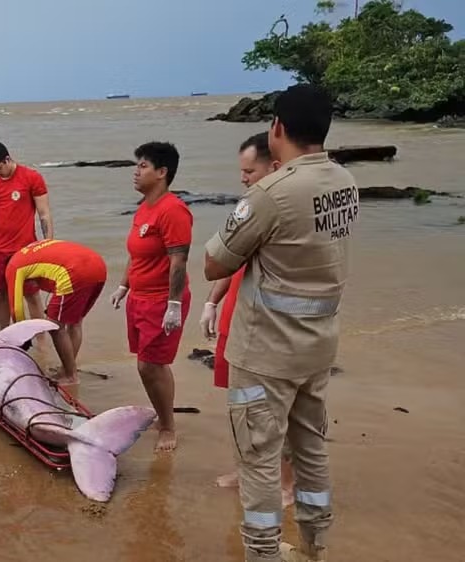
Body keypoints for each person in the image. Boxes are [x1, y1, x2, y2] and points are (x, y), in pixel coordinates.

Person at [203, 84, 358, 562]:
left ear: (277, 129)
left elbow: (214, 262)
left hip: (266, 350)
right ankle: (315, 545)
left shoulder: (271, 192)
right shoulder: (344, 181)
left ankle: (263, 553)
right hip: (318, 345)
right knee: (311, 450)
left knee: (258, 459)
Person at [201, 132, 295, 504]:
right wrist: (212, 302)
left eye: (249, 171)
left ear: (274, 167)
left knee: (272, 410)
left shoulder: (283, 211)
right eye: (241, 171)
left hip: (266, 326)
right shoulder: (252, 208)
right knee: (239, 406)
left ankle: (286, 483)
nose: (242, 178)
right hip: (235, 320)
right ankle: (246, 470)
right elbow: (229, 259)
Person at [109, 141, 192, 453]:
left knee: (150, 366)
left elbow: (178, 260)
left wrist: (174, 304)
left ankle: (168, 426)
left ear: (162, 172)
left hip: (161, 300)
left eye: (143, 166)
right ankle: (162, 413)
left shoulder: (173, 210)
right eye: (137, 165)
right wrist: (124, 286)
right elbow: (137, 254)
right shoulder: (144, 208)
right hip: (139, 298)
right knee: (149, 365)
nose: (136, 171)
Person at [4, 239, 107, 385]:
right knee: (75, 322)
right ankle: (68, 368)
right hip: (98, 265)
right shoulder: (32, 250)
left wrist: (23, 338)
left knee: (54, 326)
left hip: (74, 271)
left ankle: (70, 375)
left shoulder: (13, 266)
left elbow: (16, 308)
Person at [0, 142, 53, 331]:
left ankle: (40, 338)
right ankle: (5, 334)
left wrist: (48, 244)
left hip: (24, 249)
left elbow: (44, 214)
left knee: (31, 294)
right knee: (1, 294)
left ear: (7, 159)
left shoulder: (31, 178)